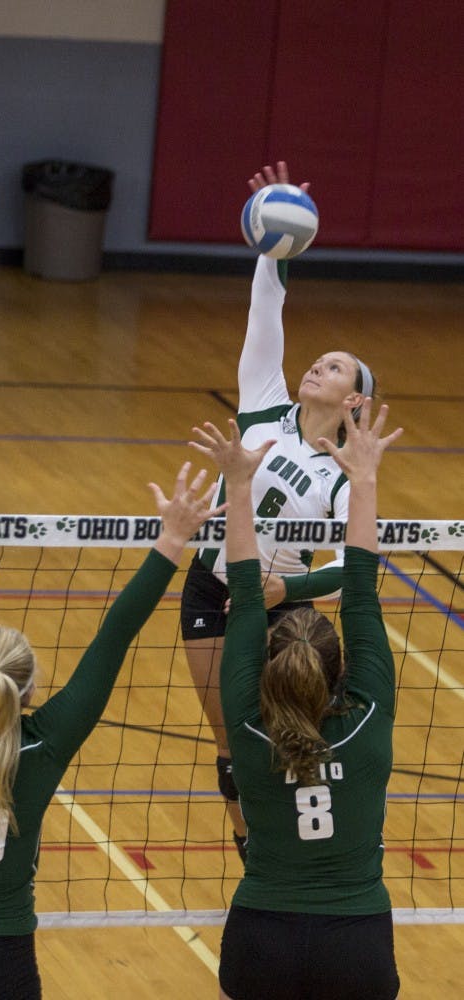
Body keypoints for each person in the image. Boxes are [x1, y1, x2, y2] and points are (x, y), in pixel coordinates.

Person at [0, 409, 225, 1000]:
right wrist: (171, 540)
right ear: (29, 691)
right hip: (0, 964)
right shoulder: (42, 745)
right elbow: (115, 636)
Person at [180, 161, 377, 859]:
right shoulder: (263, 399)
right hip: (210, 587)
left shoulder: (345, 474)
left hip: (282, 611)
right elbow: (267, 308)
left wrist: (281, 590)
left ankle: (311, 840)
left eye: (333, 368)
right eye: (316, 361)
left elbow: (352, 571)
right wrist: (279, 235)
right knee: (230, 734)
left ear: (352, 400)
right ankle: (252, 856)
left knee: (298, 729)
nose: (315, 368)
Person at [189, 399, 403, 1000]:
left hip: (262, 941)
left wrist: (238, 483)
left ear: (266, 668)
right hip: (357, 946)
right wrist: (365, 479)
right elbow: (360, 587)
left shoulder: (248, 732)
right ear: (340, 672)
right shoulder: (365, 725)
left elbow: (247, 589)